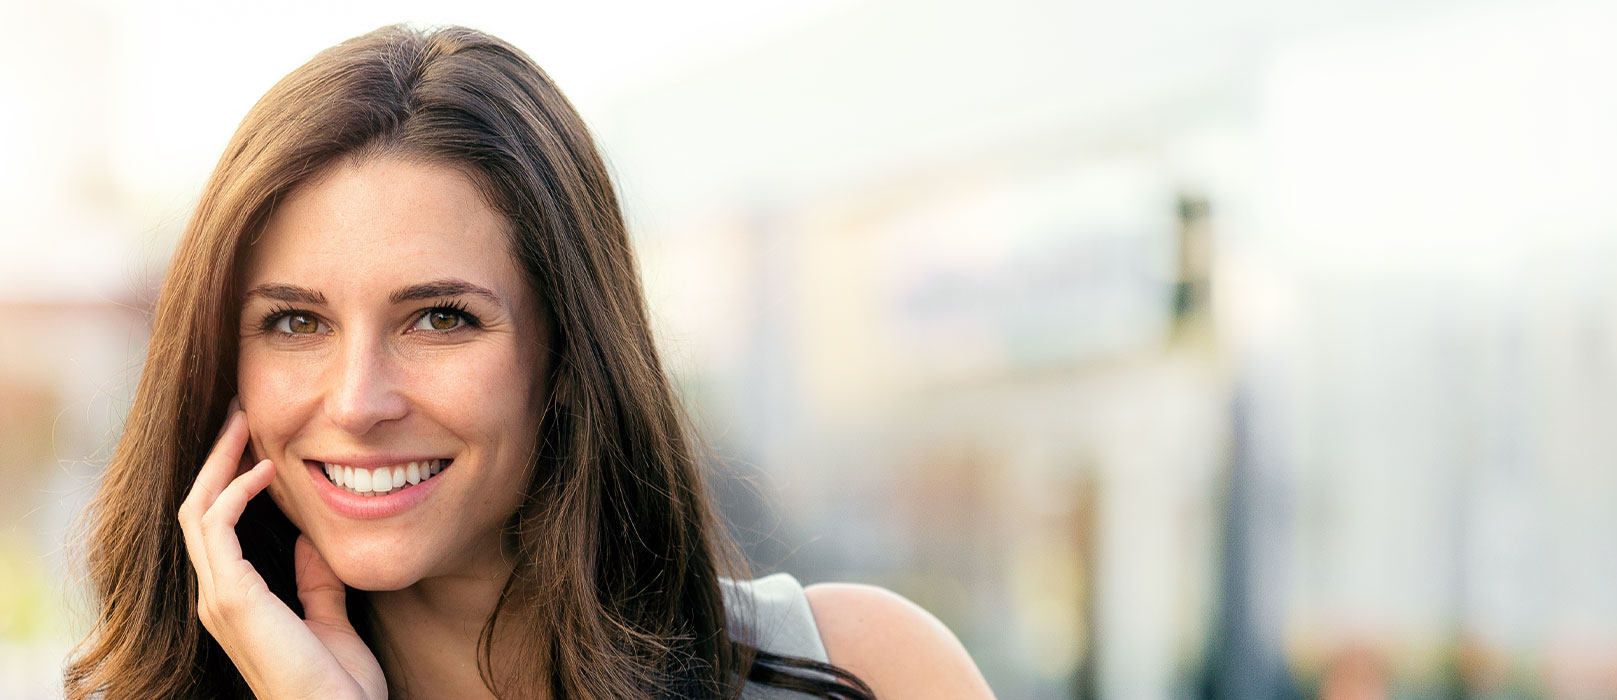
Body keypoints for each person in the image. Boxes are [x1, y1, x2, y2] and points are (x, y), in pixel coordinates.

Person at [64, 24, 995, 700]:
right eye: (296, 324)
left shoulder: (860, 674)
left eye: (439, 318)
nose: (357, 400)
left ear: (565, 351)